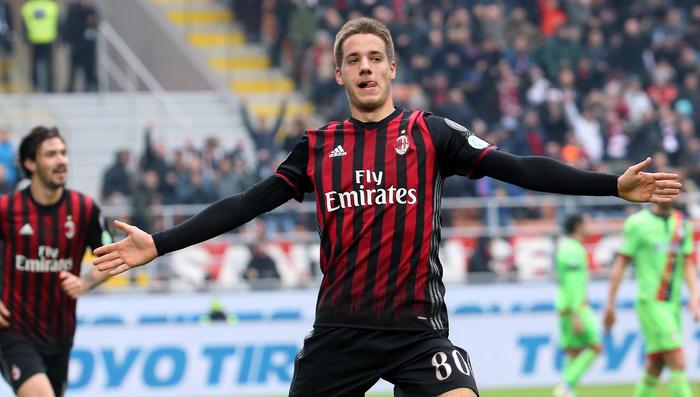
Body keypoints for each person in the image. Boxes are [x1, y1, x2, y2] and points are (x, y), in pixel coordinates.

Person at [94, 18, 682, 397]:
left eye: (376, 57)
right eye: (354, 59)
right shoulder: (318, 147)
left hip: (418, 332)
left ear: (392, 68)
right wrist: (160, 243)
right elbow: (247, 204)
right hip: (340, 333)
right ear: (339, 72)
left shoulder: (431, 133)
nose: (367, 67)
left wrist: (610, 185)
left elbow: (520, 169)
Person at [0, 126, 113, 397]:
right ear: (30, 163)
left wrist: (85, 282)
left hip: (60, 334)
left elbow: (113, 257)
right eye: (51, 154)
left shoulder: (84, 209)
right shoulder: (7, 209)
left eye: (63, 153)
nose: (61, 160)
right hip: (14, 331)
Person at [604, 202, 699, 397]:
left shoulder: (682, 224)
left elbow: (688, 264)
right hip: (650, 302)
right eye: (662, 188)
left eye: (672, 189)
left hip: (673, 304)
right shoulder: (637, 223)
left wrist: (695, 298)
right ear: (653, 194)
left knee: (656, 364)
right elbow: (621, 263)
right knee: (677, 359)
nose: (668, 193)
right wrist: (610, 304)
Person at [553, 214, 601, 397]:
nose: (590, 226)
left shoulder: (568, 247)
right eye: (587, 222)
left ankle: (567, 391)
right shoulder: (572, 249)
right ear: (578, 226)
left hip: (567, 306)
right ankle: (565, 386)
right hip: (575, 307)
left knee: (573, 352)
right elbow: (572, 283)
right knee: (595, 346)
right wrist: (576, 313)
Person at [21, 0, 59, 93]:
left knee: (34, 66)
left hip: (33, 39)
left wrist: (25, 40)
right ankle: (50, 89)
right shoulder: (52, 6)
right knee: (49, 65)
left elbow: (24, 26)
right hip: (48, 38)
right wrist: (58, 39)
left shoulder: (28, 7)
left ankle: (34, 88)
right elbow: (58, 24)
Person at [63, 0, 99, 92]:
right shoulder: (73, 10)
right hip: (76, 43)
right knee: (73, 68)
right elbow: (67, 26)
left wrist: (93, 22)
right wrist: (67, 41)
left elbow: (96, 25)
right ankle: (70, 88)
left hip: (88, 45)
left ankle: (90, 87)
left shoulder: (92, 11)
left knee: (89, 68)